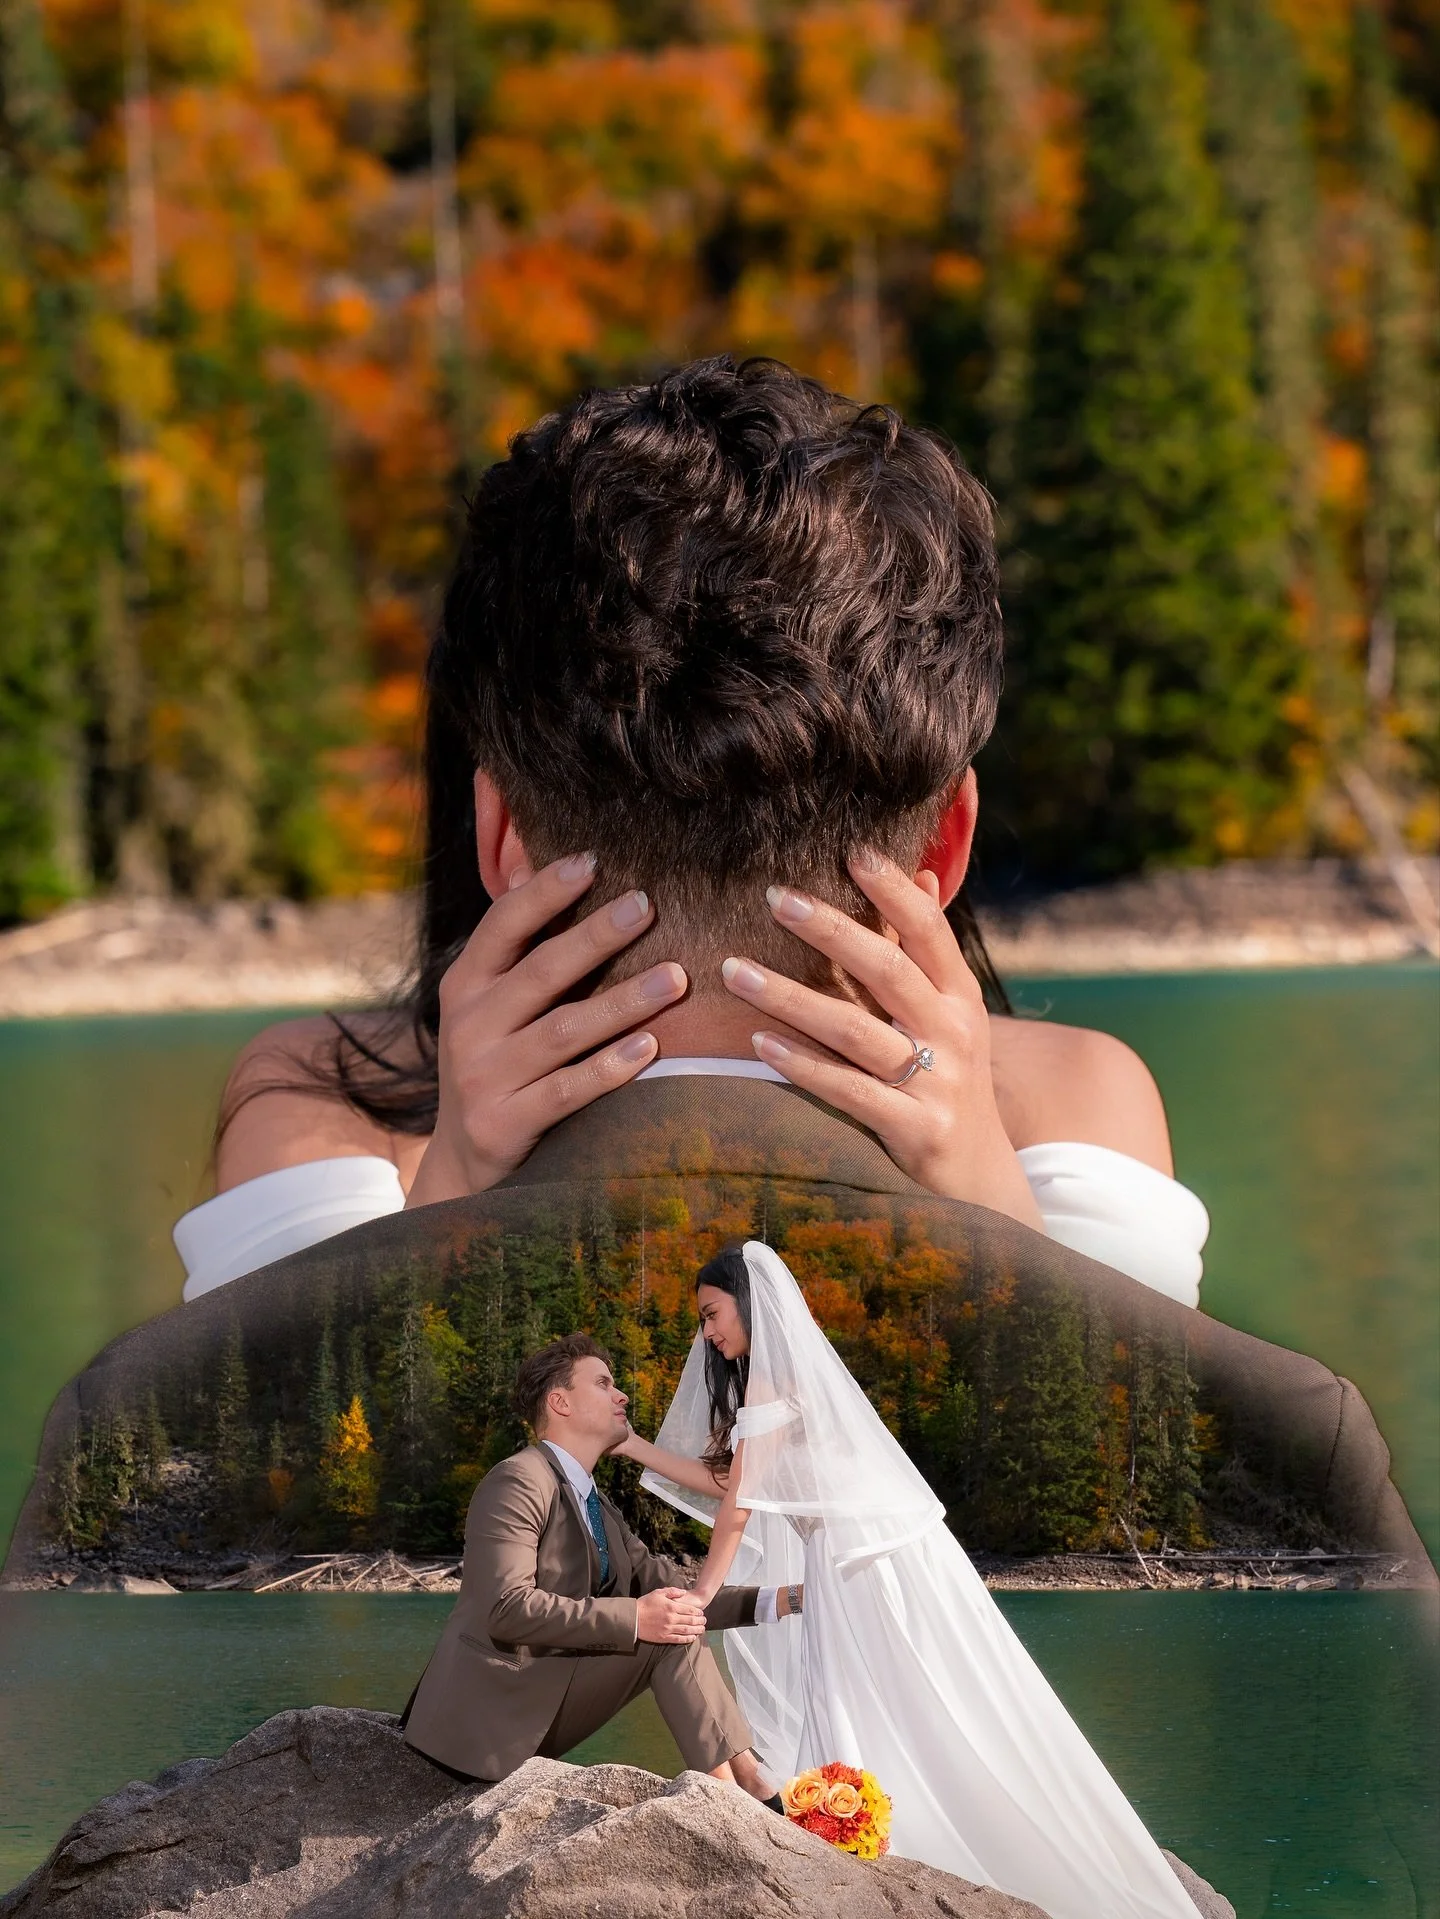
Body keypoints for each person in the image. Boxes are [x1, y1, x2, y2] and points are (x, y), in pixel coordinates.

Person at [174, 356, 1208, 1308]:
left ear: (500, 838)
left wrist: (447, 1203)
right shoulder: (1066, 1106)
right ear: (945, 847)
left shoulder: (325, 1114)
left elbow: (269, 1441)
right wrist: (996, 1218)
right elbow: (1149, 1446)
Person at [618, 1241, 1202, 1919]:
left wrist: (701, 1594)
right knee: (883, 1695)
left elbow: (739, 1505)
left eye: (713, 1314)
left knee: (884, 1693)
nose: (707, 1332)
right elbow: (730, 1483)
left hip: (859, 1561)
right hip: (852, 1555)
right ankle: (860, 1826)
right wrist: (629, 1445)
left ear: (748, 1305)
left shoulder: (771, 1386)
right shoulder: (780, 1384)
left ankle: (870, 1839)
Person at [399, 1330, 793, 1798]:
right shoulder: (518, 1479)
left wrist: (787, 1600)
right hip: (486, 1717)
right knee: (665, 1630)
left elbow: (682, 1594)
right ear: (560, 1402)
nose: (621, 1395)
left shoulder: (597, 1505)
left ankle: (745, 1787)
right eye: (603, 1383)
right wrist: (637, 1617)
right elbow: (506, 1608)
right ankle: (739, 1797)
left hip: (546, 1697)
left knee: (673, 1624)